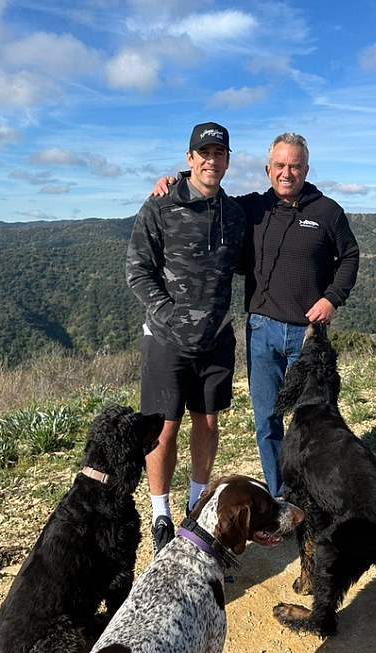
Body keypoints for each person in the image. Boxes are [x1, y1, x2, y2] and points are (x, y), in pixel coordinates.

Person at [151, 132, 359, 500]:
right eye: (280, 165)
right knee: (267, 421)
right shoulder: (251, 208)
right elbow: (206, 195)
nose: (287, 173)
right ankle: (281, 495)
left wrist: (332, 299)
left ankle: (318, 493)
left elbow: (350, 256)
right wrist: (174, 181)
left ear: (306, 169)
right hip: (261, 330)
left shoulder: (327, 212)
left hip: (309, 335)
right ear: (267, 169)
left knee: (315, 420)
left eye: (294, 166)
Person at [127, 121, 245, 555]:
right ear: (190, 158)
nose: (212, 161)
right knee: (162, 429)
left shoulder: (235, 215)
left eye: (220, 154)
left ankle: (197, 504)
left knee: (208, 422)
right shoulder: (159, 205)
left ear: (228, 160)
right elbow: (136, 269)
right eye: (204, 153)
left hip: (216, 339)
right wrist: (169, 316)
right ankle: (161, 513)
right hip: (165, 340)